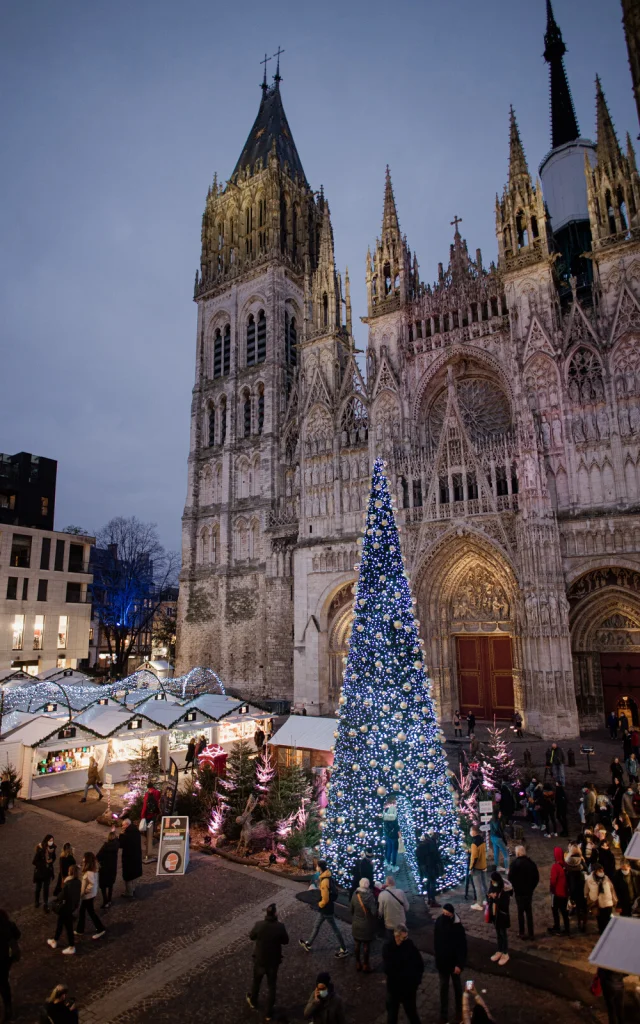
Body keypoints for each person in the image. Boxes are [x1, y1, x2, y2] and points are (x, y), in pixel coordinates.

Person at [246, 902, 289, 1018]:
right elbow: (286, 941)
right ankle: (269, 1013)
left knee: (256, 982)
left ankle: (253, 1001)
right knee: (272, 986)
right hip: (273, 962)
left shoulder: (259, 925)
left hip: (260, 960)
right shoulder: (280, 927)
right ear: (275, 914)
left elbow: (251, 936)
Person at [299, 860, 348, 958]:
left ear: (320, 867)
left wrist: (320, 904)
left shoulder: (325, 881)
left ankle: (344, 949)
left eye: (317, 866)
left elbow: (325, 899)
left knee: (334, 929)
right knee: (317, 925)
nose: (316, 867)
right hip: (326, 908)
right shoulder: (327, 876)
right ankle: (309, 943)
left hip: (326, 908)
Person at [382, 925, 423, 1024]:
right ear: (396, 936)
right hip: (394, 988)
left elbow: (419, 963)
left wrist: (416, 981)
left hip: (408, 988)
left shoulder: (409, 944)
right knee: (392, 1015)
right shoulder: (388, 947)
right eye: (403, 937)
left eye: (406, 937)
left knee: (412, 1013)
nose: (406, 939)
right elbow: (388, 968)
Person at [434, 904, 467, 1024]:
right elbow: (436, 943)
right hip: (443, 963)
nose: (445, 916)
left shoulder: (457, 927)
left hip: (454, 964)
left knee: (457, 987)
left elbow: (462, 947)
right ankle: (444, 1015)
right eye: (444, 913)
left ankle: (459, 1011)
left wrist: (459, 965)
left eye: (447, 914)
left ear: (452, 914)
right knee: (443, 989)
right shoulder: (439, 922)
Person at [47, 864, 81, 955]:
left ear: (70, 872)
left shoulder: (68, 883)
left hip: (65, 908)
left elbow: (61, 896)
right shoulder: (78, 882)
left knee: (68, 927)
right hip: (71, 907)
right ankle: (55, 940)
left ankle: (71, 946)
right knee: (60, 923)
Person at [507, 845, 539, 940]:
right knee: (529, 912)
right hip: (528, 892)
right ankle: (531, 933)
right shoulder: (531, 863)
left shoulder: (514, 864)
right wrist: (532, 888)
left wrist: (514, 887)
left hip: (519, 892)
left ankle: (522, 932)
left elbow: (510, 878)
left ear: (517, 853)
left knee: (520, 912)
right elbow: (536, 877)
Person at [75, 851, 106, 939]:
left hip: (88, 896)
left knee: (90, 912)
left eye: (84, 858)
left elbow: (91, 884)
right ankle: (80, 929)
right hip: (90, 895)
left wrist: (85, 891)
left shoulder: (89, 872)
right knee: (84, 911)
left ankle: (100, 928)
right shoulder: (93, 869)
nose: (83, 859)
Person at [350, 877, 377, 972]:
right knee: (366, 945)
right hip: (367, 925)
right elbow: (374, 912)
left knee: (357, 944)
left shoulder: (355, 894)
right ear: (368, 885)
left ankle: (358, 963)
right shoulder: (370, 896)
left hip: (356, 924)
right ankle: (366, 964)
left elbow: (351, 909)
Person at [487, 871, 512, 966]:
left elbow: (504, 904)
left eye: (493, 881)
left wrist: (495, 898)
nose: (492, 882)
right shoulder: (493, 886)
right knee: (498, 933)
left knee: (503, 934)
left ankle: (505, 952)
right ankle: (500, 950)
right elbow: (488, 894)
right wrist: (490, 896)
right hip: (495, 914)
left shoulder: (504, 890)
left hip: (502, 915)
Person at [0, 909, 20, 1021]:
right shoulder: (8, 924)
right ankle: (8, 1008)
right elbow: (18, 935)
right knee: (4, 983)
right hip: (6, 959)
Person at [585, 865, 617, 934]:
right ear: (595, 871)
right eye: (600, 871)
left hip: (607, 902)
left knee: (607, 918)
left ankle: (607, 932)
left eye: (602, 870)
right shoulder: (589, 880)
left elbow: (612, 889)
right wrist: (589, 901)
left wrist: (614, 900)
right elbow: (586, 892)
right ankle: (602, 931)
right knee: (600, 919)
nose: (601, 872)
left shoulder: (606, 878)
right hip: (597, 903)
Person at [416, 831, 443, 908]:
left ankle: (429, 899)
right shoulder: (432, 844)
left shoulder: (423, 843)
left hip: (423, 866)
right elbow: (436, 856)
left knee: (428, 882)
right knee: (432, 882)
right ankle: (432, 901)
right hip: (430, 866)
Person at [564, 844, 588, 933]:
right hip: (582, 886)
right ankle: (584, 924)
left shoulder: (568, 860)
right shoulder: (581, 859)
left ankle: (578, 923)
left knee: (577, 906)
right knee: (584, 907)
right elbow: (586, 870)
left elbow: (566, 873)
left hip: (573, 886)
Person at [548, 846, 570, 936]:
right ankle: (567, 928)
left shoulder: (555, 867)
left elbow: (553, 880)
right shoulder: (566, 865)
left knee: (555, 910)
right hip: (565, 892)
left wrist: (551, 889)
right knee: (564, 911)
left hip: (557, 893)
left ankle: (557, 927)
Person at [119, 817, 143, 898]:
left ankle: (129, 892)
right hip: (136, 856)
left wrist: (121, 834)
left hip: (128, 858)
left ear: (127, 825)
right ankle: (133, 889)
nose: (122, 827)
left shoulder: (127, 834)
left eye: (123, 825)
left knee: (128, 876)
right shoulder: (136, 831)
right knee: (134, 874)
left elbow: (120, 844)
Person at [33, 834, 57, 911]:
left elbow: (54, 857)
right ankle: (36, 901)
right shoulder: (40, 849)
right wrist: (44, 863)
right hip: (40, 872)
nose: (51, 842)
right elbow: (34, 861)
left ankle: (45, 904)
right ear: (46, 841)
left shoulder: (52, 848)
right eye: (50, 840)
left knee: (46, 889)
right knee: (38, 888)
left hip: (48, 872)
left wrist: (51, 861)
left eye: (52, 840)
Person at [97, 826, 119, 908]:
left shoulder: (105, 847)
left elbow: (98, 856)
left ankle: (105, 901)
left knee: (103, 886)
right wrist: (114, 832)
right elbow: (117, 840)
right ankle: (109, 900)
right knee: (110, 885)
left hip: (104, 869)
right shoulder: (116, 846)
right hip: (112, 868)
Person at [140, 780, 161, 862]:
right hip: (154, 813)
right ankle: (151, 838)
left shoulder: (147, 794)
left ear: (148, 788)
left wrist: (142, 815)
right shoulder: (157, 792)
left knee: (147, 827)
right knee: (153, 825)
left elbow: (145, 806)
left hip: (148, 814)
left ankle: (148, 840)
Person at [468, 826, 488, 909]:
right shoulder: (482, 840)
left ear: (473, 831)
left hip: (477, 866)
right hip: (483, 864)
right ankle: (487, 899)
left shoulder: (474, 843)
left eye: (471, 830)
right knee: (484, 884)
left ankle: (479, 903)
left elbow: (474, 856)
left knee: (477, 886)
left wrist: (471, 867)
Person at [383, 797, 400, 871]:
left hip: (388, 834)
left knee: (389, 848)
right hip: (393, 835)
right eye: (395, 803)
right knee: (394, 850)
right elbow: (395, 825)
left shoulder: (385, 811)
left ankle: (388, 862)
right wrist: (398, 829)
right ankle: (393, 865)